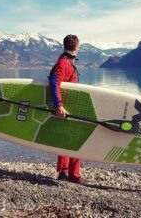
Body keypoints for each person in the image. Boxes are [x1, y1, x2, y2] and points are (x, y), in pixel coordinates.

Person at [48, 34, 84, 184]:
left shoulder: (66, 61)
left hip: (69, 106)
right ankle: (72, 175)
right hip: (66, 108)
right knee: (76, 138)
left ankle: (64, 172)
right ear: (76, 47)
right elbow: (54, 83)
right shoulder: (64, 62)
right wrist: (59, 105)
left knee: (66, 138)